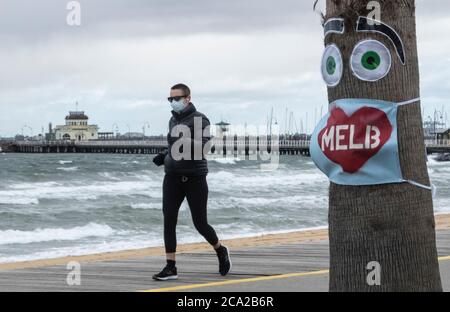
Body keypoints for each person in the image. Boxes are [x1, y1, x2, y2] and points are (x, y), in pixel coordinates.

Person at [152, 83, 231, 281]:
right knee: (169, 220)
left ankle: (220, 250)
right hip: (171, 177)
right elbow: (173, 146)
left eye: (176, 98)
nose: (173, 102)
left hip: (194, 178)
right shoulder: (173, 119)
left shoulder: (200, 120)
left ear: (187, 98)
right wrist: (163, 155)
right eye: (170, 99)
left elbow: (205, 148)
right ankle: (171, 267)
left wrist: (184, 141)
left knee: (200, 223)